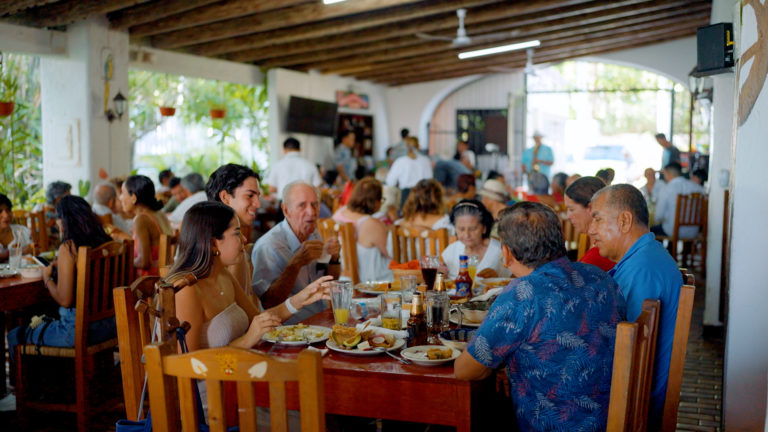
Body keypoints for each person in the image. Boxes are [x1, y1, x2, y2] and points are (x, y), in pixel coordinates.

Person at [455, 201, 625, 432]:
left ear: (506, 253)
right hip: (611, 416)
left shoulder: (523, 293)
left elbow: (465, 370)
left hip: (554, 424)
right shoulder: (600, 277)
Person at [171, 201, 332, 352]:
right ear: (213, 243)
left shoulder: (222, 274)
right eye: (237, 233)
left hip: (239, 371)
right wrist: (246, 340)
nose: (244, 239)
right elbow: (186, 361)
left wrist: (300, 299)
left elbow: (258, 319)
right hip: (212, 380)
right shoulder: (186, 289)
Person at [588, 184, 682, 429]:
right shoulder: (645, 256)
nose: (591, 231)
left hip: (638, 401)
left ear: (624, 220)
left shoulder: (642, 269)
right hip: (640, 388)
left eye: (597, 220)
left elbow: (618, 349)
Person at [6, 196, 117, 360]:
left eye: (57, 218)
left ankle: (24, 386)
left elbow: (65, 300)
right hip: (109, 327)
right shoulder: (107, 243)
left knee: (15, 334)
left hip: (77, 332)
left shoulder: (69, 247)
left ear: (64, 220)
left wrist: (47, 278)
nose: (56, 224)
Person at [251, 181, 341, 324]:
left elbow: (328, 280)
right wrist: (296, 263)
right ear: (286, 210)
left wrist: (334, 258)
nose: (311, 212)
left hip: (321, 320)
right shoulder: (269, 245)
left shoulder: (313, 234)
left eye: (315, 204)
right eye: (302, 205)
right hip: (290, 331)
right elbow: (269, 302)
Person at [206, 164, 263, 296]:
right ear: (225, 197)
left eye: (258, 196)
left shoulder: (235, 241)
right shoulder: (212, 242)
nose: (258, 204)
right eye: (250, 196)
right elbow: (234, 306)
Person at [332, 178, 393, 282]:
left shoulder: (339, 213)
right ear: (375, 201)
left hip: (342, 276)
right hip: (369, 281)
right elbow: (390, 254)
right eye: (381, 200)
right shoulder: (371, 223)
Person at [119, 175, 173, 277]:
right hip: (164, 277)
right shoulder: (159, 214)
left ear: (134, 198)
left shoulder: (141, 219)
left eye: (122, 193)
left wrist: (124, 261)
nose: (120, 197)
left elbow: (144, 262)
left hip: (148, 283)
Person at [441, 200, 510, 279]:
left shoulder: (499, 251)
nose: (467, 235)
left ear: (484, 228)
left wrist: (497, 277)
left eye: (473, 229)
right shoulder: (452, 251)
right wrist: (441, 274)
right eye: (461, 229)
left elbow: (515, 281)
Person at [564, 176, 615, 271]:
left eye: (571, 209)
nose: (568, 216)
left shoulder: (598, 256)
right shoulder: (605, 244)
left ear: (591, 209)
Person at [651, 162, 705, 238]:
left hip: (672, 231)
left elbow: (658, 216)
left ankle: (665, 249)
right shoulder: (698, 188)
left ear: (668, 174)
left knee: (650, 231)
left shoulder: (666, 189)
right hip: (694, 232)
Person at [385, 136, 433, 206]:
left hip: (406, 196)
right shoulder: (425, 160)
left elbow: (390, 181)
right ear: (418, 146)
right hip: (422, 195)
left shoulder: (400, 161)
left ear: (406, 147)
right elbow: (430, 180)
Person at [0, 193, 34, 261]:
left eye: (8, 210)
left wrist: (35, 250)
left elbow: (34, 253)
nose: (6, 215)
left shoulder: (22, 232)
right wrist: (18, 251)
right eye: (0, 211)